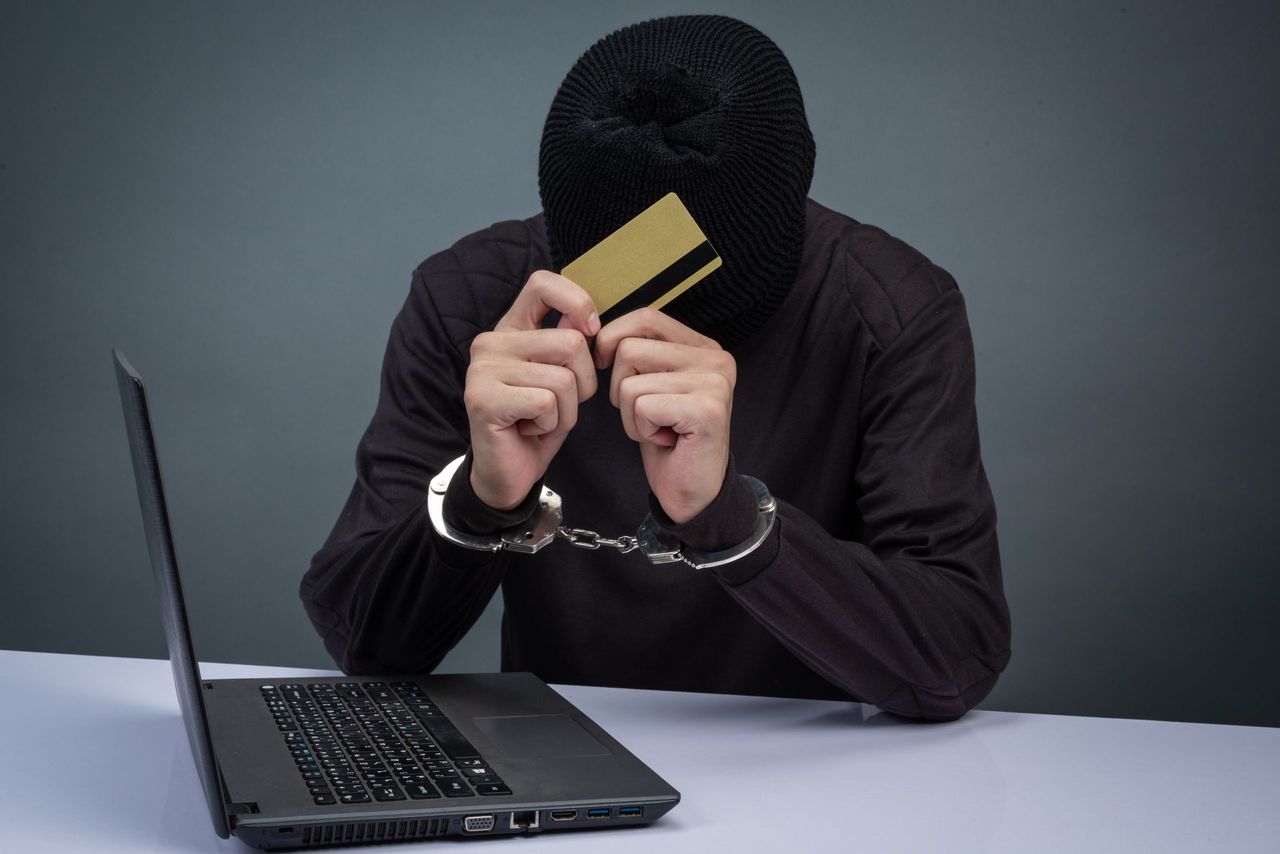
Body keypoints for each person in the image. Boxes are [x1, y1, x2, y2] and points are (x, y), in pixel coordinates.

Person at [301, 14, 1010, 721]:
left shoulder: (891, 308)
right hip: (561, 765)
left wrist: (727, 519)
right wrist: (484, 502)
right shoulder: (471, 301)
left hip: (815, 771)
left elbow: (956, 659)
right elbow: (365, 643)